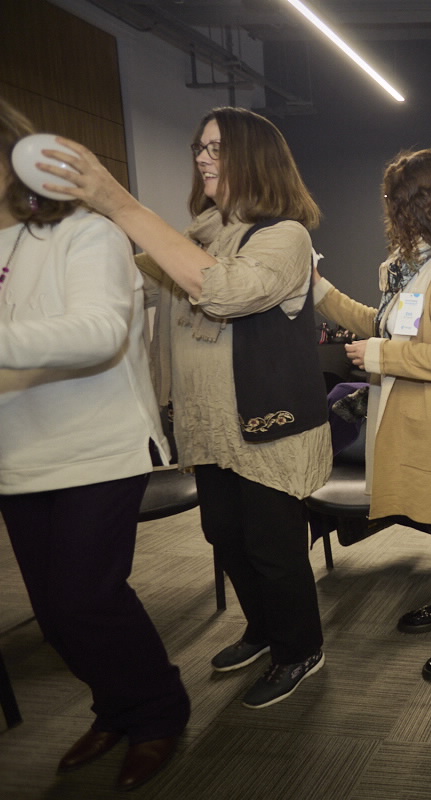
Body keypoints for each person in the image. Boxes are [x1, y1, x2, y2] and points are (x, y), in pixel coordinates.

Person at [44, 107, 331, 710]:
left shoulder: (284, 237)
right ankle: (263, 629)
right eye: (200, 146)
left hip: (268, 429)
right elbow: (130, 284)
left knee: (273, 550)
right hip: (209, 426)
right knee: (225, 536)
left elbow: (221, 292)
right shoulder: (198, 237)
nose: (202, 157)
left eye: (217, 148)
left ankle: (300, 648)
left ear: (254, 158)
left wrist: (119, 203)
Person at [0, 97, 189, 790]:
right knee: (56, 617)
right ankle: (115, 706)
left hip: (98, 448)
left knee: (88, 600)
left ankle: (159, 712)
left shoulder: (85, 233)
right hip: (17, 455)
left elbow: (98, 333)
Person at [313, 149, 431, 681]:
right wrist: (320, 290)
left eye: (393, 200)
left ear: (420, 204)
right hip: (427, 424)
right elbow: (381, 324)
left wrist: (381, 356)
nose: (388, 209)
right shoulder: (414, 267)